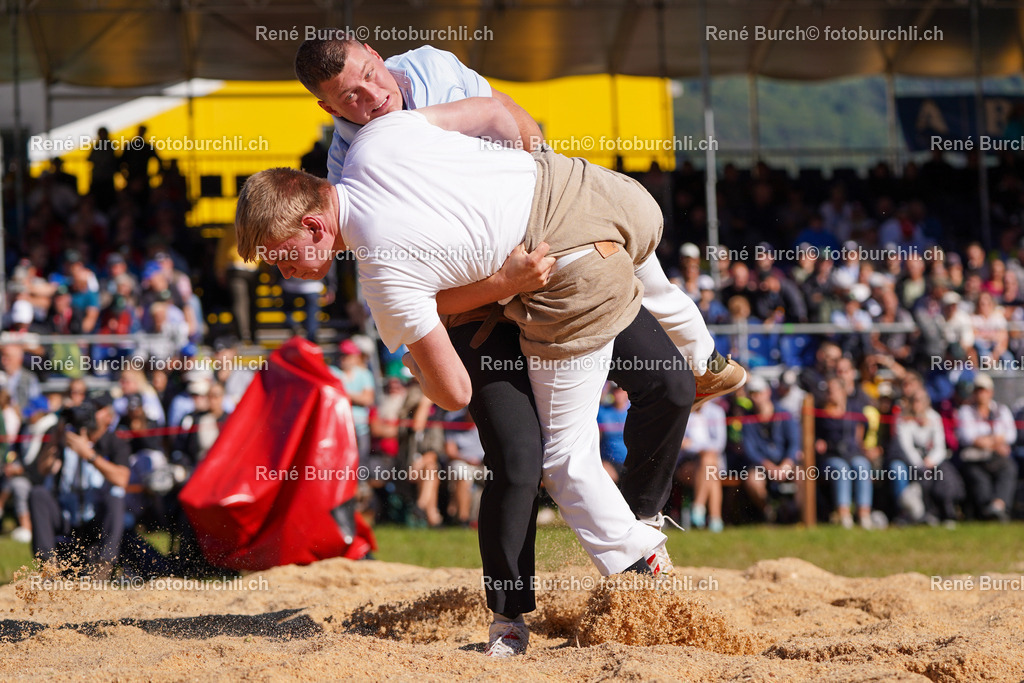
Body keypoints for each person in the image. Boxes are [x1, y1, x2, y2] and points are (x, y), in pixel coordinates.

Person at [290, 45, 746, 656]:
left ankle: (637, 525)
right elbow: (418, 298)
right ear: (329, 109)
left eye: (369, 77)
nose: (370, 98)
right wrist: (501, 283)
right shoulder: (348, 164)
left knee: (671, 384)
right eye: (350, 97)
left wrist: (539, 184)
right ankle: (509, 616)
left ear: (375, 55)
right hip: (474, 304)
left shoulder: (431, 69)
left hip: (553, 252)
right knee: (521, 456)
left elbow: (503, 112)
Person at [28, 394, 130, 579]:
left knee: (116, 495)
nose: (90, 414)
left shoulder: (115, 442)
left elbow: (122, 479)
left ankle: (103, 568)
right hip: (66, 514)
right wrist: (57, 436)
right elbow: (43, 469)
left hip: (96, 517)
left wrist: (89, 455)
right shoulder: (65, 438)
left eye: (97, 409)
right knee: (38, 494)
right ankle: (48, 568)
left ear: (109, 417)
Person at [956, 374, 1017, 522]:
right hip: (975, 458)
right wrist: (996, 441)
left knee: (1009, 469)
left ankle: (999, 506)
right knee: (979, 480)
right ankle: (987, 511)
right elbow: (967, 437)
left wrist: (986, 441)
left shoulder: (1001, 410)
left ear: (991, 392)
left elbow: (1011, 435)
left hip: (996, 457)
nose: (981, 394)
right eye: (977, 390)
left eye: (984, 390)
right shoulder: (965, 411)